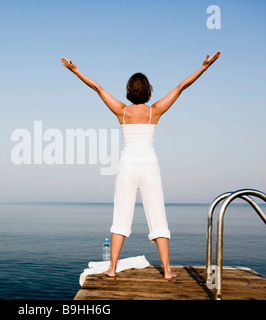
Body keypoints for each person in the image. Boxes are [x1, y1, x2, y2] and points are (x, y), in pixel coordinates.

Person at [61, 51, 221, 279]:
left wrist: (75, 71)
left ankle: (112, 269)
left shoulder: (122, 111)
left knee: (120, 218)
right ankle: (166, 271)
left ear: (128, 91)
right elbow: (181, 87)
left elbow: (96, 88)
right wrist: (204, 68)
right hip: (149, 166)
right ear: (148, 91)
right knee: (158, 216)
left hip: (127, 167)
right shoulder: (154, 111)